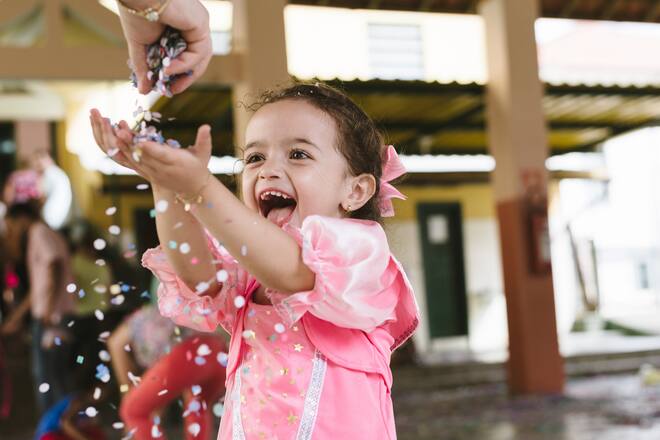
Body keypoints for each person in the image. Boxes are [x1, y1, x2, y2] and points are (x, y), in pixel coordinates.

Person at [90, 80, 419, 438]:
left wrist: (200, 188)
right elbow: (197, 274)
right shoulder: (251, 270)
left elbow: (291, 271)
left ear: (355, 190)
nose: (267, 170)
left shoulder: (357, 252)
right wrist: (167, 185)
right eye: (254, 157)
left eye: (298, 154)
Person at [107, 305, 226, 439]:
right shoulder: (155, 314)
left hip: (189, 352)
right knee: (197, 408)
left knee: (132, 410)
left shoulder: (134, 324)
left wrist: (128, 394)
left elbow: (115, 343)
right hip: (218, 351)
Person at [0, 202, 75, 413]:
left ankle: (56, 428)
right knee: (52, 374)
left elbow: (55, 266)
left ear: (22, 218)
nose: (11, 230)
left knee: (49, 376)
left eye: (11, 224)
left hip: (52, 317)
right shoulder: (42, 233)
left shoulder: (39, 232)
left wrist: (49, 310)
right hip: (50, 315)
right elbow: (39, 287)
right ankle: (59, 427)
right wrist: (16, 318)